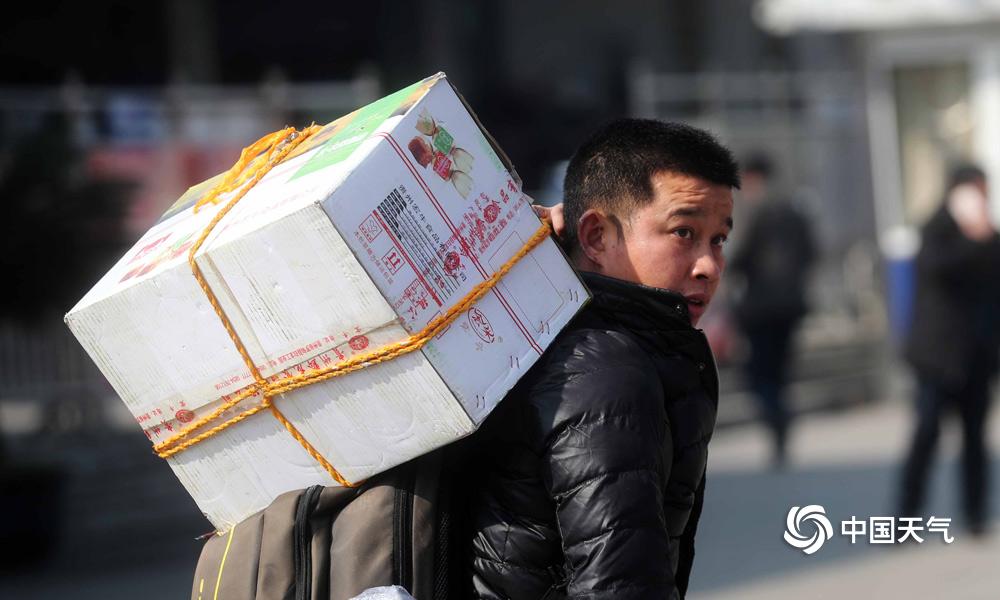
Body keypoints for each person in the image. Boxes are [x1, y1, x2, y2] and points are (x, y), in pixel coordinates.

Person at [464, 119, 739, 599]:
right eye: (683, 232)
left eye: (718, 240)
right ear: (595, 236)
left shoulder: (549, 326)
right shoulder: (606, 370)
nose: (709, 267)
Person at [899, 164, 1000, 535]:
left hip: (977, 357)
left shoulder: (990, 237)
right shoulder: (937, 229)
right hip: (937, 358)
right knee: (926, 434)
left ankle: (975, 515)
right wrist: (975, 240)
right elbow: (938, 268)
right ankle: (905, 518)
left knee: (975, 440)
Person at [728, 154, 816, 467]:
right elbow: (812, 253)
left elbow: (739, 255)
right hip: (790, 305)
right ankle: (780, 418)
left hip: (760, 306)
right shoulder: (794, 212)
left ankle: (776, 417)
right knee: (779, 369)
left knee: (756, 372)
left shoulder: (754, 211)